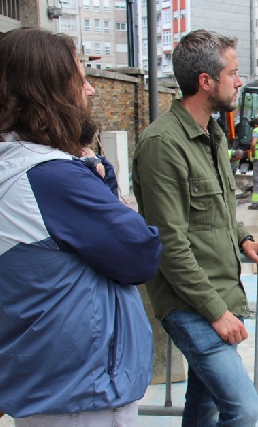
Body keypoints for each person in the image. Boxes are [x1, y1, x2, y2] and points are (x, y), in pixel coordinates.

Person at [0, 28, 162, 426]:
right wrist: (100, 179)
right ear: (49, 90)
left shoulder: (19, 166)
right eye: (81, 78)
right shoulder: (51, 178)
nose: (90, 91)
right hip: (82, 394)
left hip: (52, 384)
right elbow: (140, 252)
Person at [132, 30, 258, 426]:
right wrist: (216, 313)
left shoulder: (212, 133)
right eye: (233, 73)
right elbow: (169, 242)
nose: (239, 82)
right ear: (205, 81)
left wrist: (242, 237)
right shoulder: (162, 144)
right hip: (191, 302)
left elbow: (218, 208)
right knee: (243, 409)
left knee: (205, 403)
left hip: (219, 291)